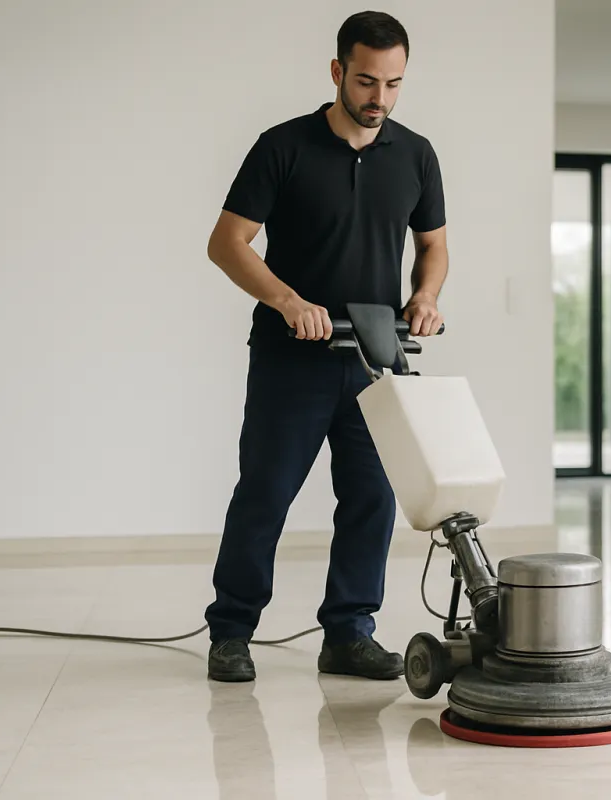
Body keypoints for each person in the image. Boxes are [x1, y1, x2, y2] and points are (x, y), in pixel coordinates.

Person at [202, 10, 447, 683]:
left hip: (377, 358)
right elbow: (227, 242)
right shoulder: (283, 146)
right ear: (338, 71)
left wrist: (425, 297)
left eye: (393, 84)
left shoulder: (416, 154)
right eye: (367, 81)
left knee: (373, 498)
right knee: (266, 492)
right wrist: (286, 300)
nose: (379, 98)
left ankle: (348, 634)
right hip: (293, 356)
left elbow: (433, 248)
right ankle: (231, 630)